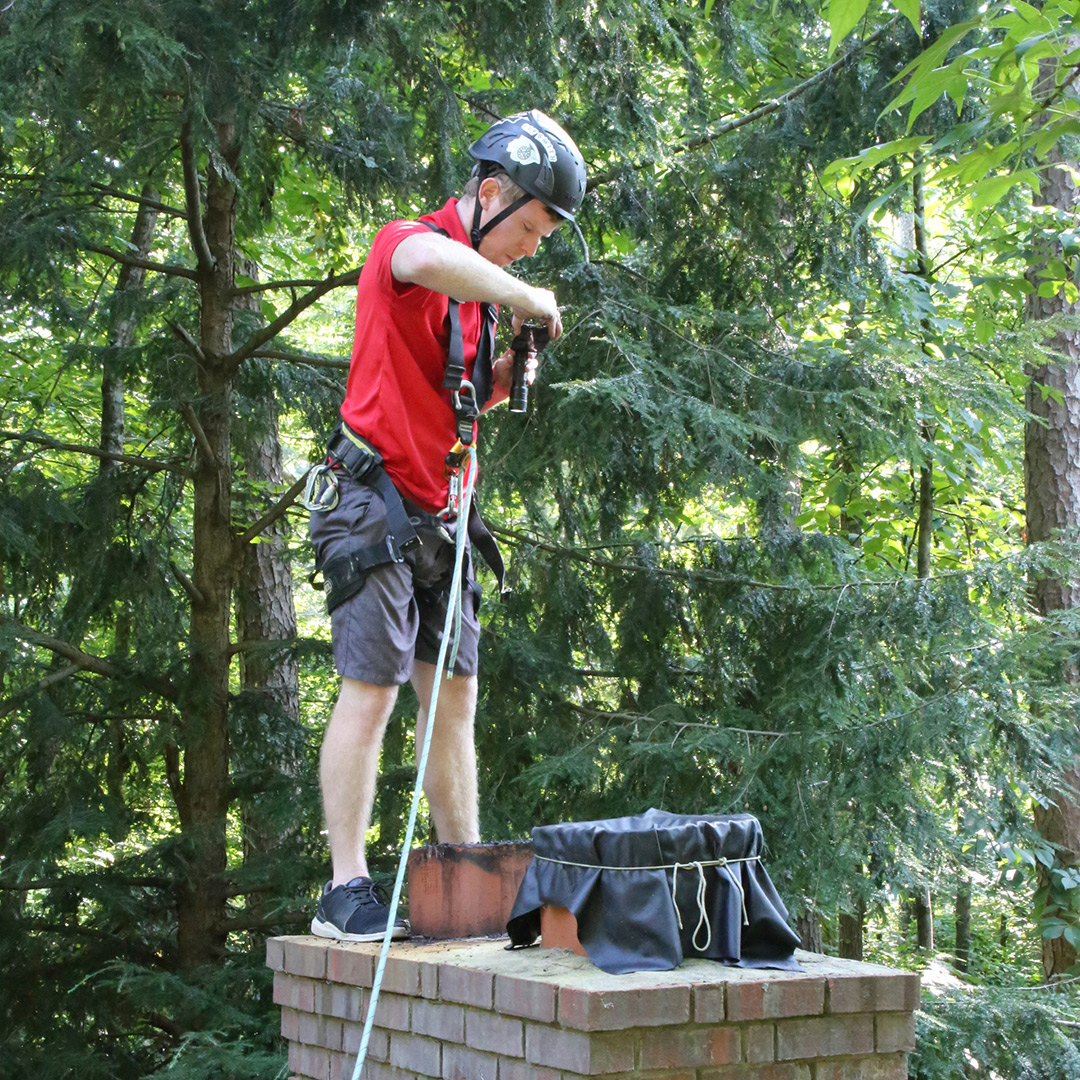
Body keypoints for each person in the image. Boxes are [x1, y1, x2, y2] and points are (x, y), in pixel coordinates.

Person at [308, 110, 587, 941]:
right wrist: (523, 295)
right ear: (491, 193)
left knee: (454, 696)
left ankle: (461, 867)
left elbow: (450, 396)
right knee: (374, 690)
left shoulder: (478, 305)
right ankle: (344, 889)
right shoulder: (410, 247)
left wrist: (508, 368)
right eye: (530, 226)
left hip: (443, 514)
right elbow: (428, 259)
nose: (533, 247)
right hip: (373, 504)